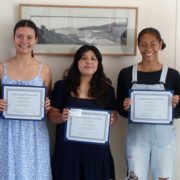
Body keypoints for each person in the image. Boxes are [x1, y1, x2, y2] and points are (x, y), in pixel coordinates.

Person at [116, 27, 180, 180]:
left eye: (153, 43)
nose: (148, 49)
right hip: (137, 140)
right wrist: (125, 107)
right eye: (143, 44)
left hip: (164, 141)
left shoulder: (173, 75)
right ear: (138, 46)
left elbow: (178, 114)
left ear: (160, 44)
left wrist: (176, 105)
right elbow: (120, 109)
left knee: (164, 177)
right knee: (135, 177)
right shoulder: (125, 74)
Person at [48, 44, 118, 180]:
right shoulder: (61, 86)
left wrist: (112, 119)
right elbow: (51, 115)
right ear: (76, 62)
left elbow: (114, 116)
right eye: (84, 58)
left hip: (97, 154)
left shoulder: (107, 90)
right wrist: (62, 117)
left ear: (99, 63)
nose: (88, 62)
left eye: (93, 58)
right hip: (67, 153)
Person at [0, 19, 52, 180]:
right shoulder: (2, 67)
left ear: (36, 40)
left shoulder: (44, 70)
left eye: (29, 37)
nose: (24, 41)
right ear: (13, 38)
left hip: (34, 133)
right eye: (19, 36)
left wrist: (48, 104)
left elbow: (47, 104)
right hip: (7, 131)